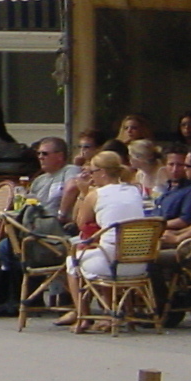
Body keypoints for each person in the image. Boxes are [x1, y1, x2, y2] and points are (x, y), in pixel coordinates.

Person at [61, 152, 148, 326]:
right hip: (140, 262)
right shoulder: (134, 190)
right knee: (105, 248)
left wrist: (84, 193)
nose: (91, 176)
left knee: (72, 261)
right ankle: (110, 313)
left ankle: (82, 316)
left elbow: (81, 223)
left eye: (92, 172)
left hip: (111, 263)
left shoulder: (96, 195)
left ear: (101, 172)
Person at [27, 137, 82, 220]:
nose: (40, 157)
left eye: (45, 154)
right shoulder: (38, 180)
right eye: (38, 153)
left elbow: (72, 187)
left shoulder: (70, 170)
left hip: (59, 224)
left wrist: (61, 214)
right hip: (39, 221)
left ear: (60, 156)